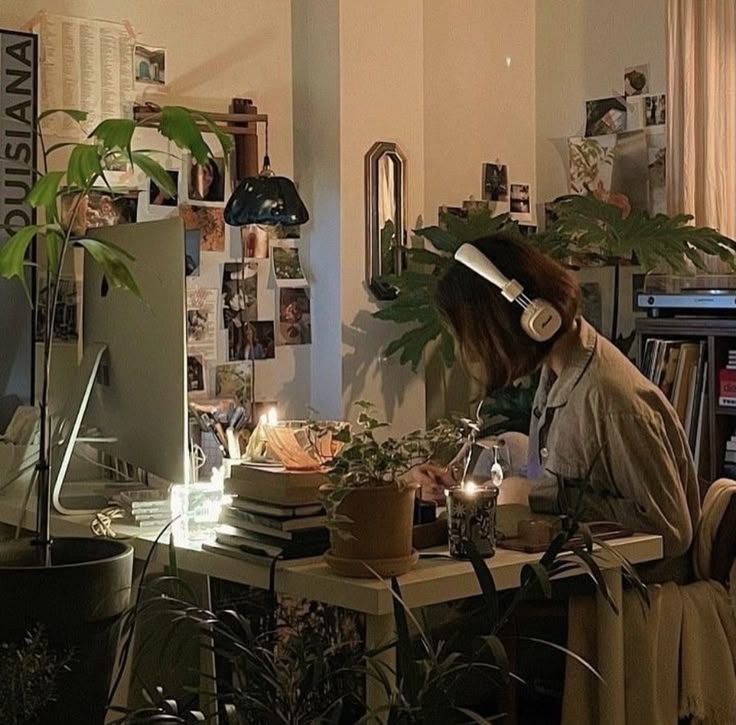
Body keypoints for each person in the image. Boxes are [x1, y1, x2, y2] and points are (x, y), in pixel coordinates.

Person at [415, 233, 700, 581]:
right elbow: (543, 476)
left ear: (523, 319)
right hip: (569, 573)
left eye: (473, 335)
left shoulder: (608, 397)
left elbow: (671, 531)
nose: (470, 349)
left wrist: (541, 498)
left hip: (619, 598)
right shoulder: (555, 372)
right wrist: (466, 488)